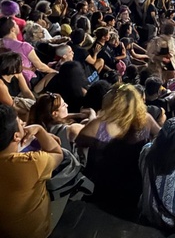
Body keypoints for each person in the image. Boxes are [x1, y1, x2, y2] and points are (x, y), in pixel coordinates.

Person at [75, 83, 160, 219]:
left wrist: (91, 119)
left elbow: (80, 141)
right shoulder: (145, 120)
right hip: (135, 186)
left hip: (105, 187)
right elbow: (160, 136)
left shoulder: (101, 125)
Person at [0, 104, 63, 237]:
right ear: (16, 136)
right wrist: (40, 130)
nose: (23, 123)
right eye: (20, 122)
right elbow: (57, 153)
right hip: (34, 232)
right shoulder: (30, 163)